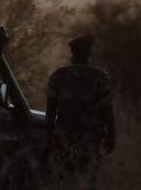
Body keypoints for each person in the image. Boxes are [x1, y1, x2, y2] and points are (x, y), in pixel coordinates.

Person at [45, 34, 116, 190]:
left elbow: (50, 110)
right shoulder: (100, 78)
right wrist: (111, 135)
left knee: (63, 181)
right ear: (89, 53)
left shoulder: (58, 76)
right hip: (91, 139)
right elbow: (107, 110)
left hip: (64, 138)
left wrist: (48, 137)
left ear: (72, 53)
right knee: (89, 181)